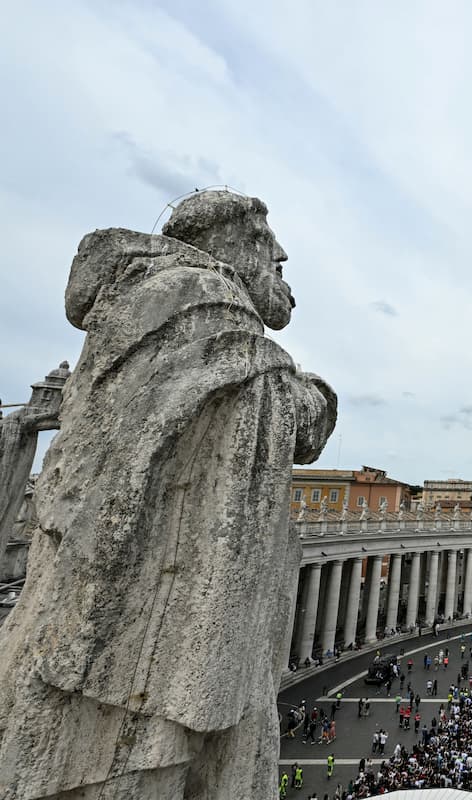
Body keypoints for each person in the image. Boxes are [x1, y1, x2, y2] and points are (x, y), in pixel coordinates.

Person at [0, 190, 337, 799]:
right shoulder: (206, 307)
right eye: (273, 251)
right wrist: (315, 388)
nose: (284, 258)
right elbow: (296, 422)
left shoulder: (146, 305)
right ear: (237, 245)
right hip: (151, 627)